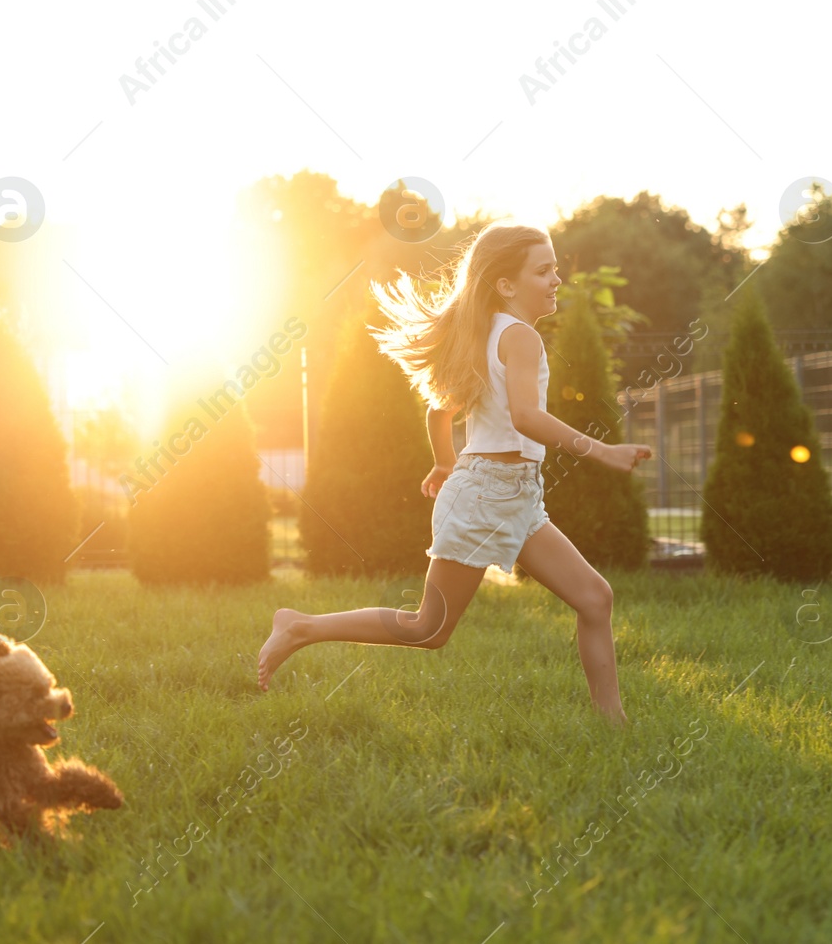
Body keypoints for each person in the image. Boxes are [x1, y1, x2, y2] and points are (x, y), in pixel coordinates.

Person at [257, 222, 651, 724]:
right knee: (429, 628)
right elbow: (526, 417)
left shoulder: (485, 333)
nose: (557, 280)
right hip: (488, 493)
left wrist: (446, 462)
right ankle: (300, 627)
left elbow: (440, 410)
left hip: (514, 495)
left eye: (556, 268)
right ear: (506, 284)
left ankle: (612, 724)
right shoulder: (520, 337)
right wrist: (603, 451)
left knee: (595, 598)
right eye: (544, 270)